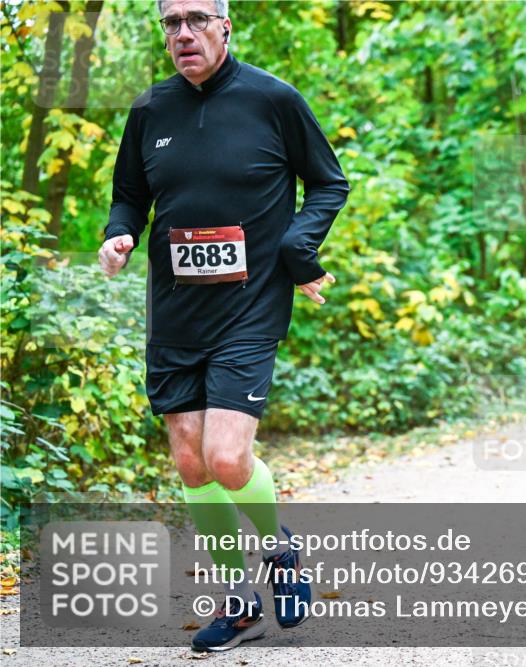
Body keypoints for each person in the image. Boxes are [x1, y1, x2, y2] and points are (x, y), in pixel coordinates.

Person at [97, 0, 350, 652]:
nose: (182, 34)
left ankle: (280, 549)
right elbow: (129, 194)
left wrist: (298, 251)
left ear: (224, 25)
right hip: (176, 308)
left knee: (227, 457)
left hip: (250, 304)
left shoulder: (273, 99)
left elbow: (329, 183)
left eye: (195, 20)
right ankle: (239, 605)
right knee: (189, 460)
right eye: (170, 23)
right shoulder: (151, 110)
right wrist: (119, 233)